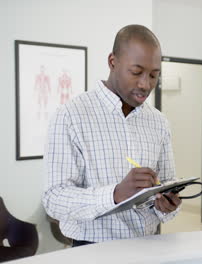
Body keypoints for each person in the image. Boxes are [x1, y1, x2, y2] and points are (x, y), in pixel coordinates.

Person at [42, 24, 181, 246]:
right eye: (136, 72)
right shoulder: (71, 116)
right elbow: (54, 199)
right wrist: (116, 194)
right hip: (90, 249)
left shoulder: (159, 122)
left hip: (148, 246)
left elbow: (167, 185)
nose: (145, 84)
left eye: (154, 75)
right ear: (112, 62)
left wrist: (167, 206)